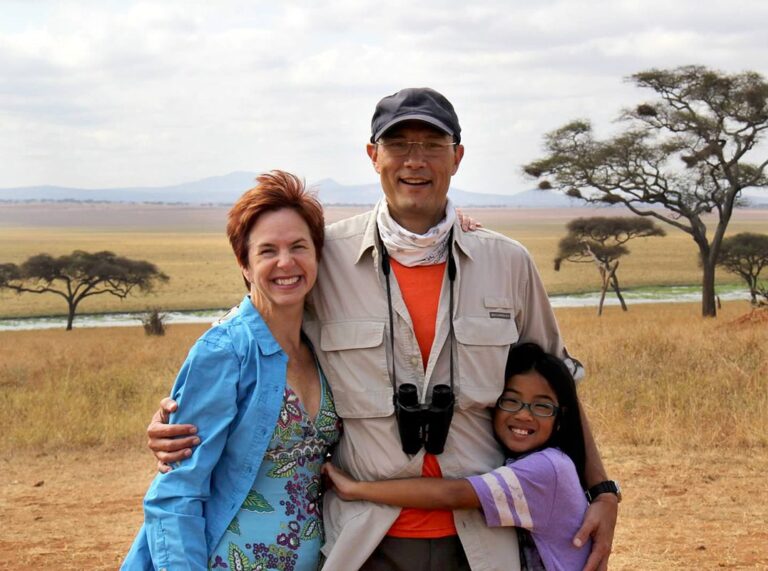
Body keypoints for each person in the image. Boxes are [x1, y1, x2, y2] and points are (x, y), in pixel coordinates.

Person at [146, 88, 619, 571]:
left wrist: (601, 491)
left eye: (433, 145)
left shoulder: (506, 262)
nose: (416, 161)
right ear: (373, 156)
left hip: (484, 539)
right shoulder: (326, 257)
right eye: (398, 145)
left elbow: (559, 385)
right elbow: (261, 318)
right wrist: (184, 407)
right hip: (362, 542)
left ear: (457, 157)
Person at [122, 171, 341, 570]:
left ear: (317, 254)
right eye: (267, 251)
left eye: (298, 246)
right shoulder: (225, 352)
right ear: (243, 263)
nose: (285, 262)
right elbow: (175, 494)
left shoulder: (322, 344)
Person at [322, 342, 595, 571]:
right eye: (510, 400)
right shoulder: (536, 463)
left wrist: (358, 488)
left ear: (561, 418)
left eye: (542, 406)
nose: (524, 414)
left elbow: (452, 494)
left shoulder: (547, 470)